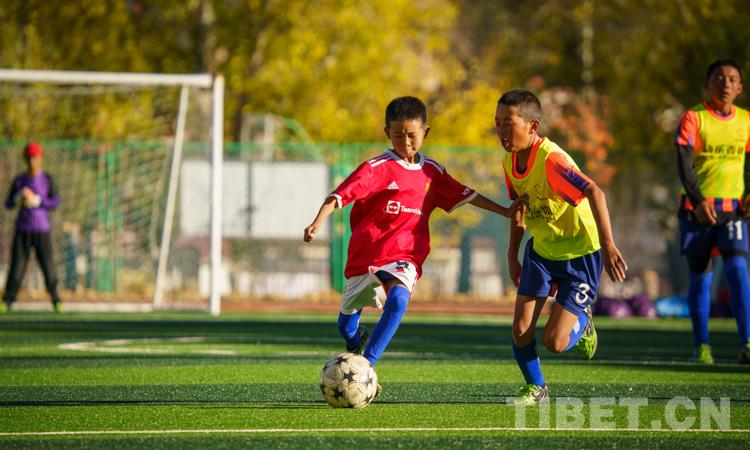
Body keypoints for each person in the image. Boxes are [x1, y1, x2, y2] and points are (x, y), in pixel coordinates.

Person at [304, 96, 518, 391]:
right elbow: (338, 195)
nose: (405, 142)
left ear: (425, 132)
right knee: (345, 327)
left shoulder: (433, 172)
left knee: (399, 300)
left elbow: (468, 195)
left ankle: (366, 366)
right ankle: (355, 340)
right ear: (386, 133)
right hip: (367, 255)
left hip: (405, 256)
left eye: (412, 135)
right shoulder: (375, 167)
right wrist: (317, 222)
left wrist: (505, 210)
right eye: (398, 135)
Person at [497, 89, 628, 405]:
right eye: (497, 122)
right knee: (520, 329)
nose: (501, 131)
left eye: (509, 123)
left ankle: (583, 321)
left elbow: (595, 192)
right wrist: (512, 256)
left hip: (580, 254)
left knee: (554, 342)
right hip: (542, 252)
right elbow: (520, 210)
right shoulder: (508, 160)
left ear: (533, 126)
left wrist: (609, 245)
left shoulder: (552, 160)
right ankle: (537, 388)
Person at [675, 58, 750, 365]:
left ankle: (747, 342)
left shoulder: (746, 120)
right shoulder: (693, 117)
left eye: (732, 79)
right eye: (718, 78)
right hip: (696, 209)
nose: (726, 83)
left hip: (733, 210)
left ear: (741, 88)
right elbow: (683, 161)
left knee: (737, 270)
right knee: (702, 279)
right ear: (708, 84)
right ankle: (702, 345)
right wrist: (699, 200)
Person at [2, 142, 62, 313]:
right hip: (23, 229)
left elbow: (55, 202)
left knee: (48, 267)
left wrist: (39, 201)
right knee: (17, 267)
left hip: (42, 229)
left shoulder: (47, 179)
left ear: (40, 158)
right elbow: (8, 203)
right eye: (29, 158)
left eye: (34, 157)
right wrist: (18, 198)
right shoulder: (20, 181)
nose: (32, 161)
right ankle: (8, 301)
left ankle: (56, 299)